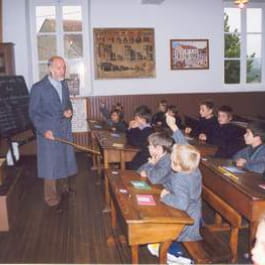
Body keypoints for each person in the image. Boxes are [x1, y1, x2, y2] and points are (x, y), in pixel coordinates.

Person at [29, 56, 77, 209]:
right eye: (58, 67)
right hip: (48, 131)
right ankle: (50, 197)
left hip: (64, 128)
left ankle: (64, 189)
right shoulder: (38, 88)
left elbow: (67, 102)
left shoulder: (63, 84)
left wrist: (69, 110)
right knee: (50, 165)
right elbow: (33, 113)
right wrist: (44, 131)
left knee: (64, 159)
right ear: (50, 69)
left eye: (63, 67)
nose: (62, 70)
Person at [160, 119, 202, 241]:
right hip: (193, 210)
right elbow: (185, 146)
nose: (170, 161)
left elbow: (181, 204)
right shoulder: (193, 167)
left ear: (178, 165)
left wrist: (165, 196)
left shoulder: (180, 178)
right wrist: (173, 126)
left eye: (172, 160)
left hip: (185, 217)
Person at [126, 105, 153, 170]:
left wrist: (132, 129)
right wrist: (129, 128)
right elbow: (128, 137)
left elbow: (133, 142)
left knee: (129, 165)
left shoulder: (147, 130)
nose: (134, 119)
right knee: (127, 163)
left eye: (136, 117)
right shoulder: (140, 128)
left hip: (145, 158)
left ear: (143, 119)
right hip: (138, 153)